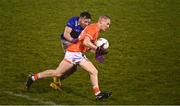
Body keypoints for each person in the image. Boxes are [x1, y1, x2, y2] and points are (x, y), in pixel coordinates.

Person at [26, 15, 112, 100]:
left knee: (94, 71)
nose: (108, 26)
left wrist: (98, 53)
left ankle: (98, 94)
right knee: (57, 73)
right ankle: (33, 77)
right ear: (102, 21)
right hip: (73, 53)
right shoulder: (93, 28)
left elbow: (87, 46)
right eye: (107, 24)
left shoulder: (96, 29)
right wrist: (97, 49)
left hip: (79, 54)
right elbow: (86, 42)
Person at [50, 12, 92, 90]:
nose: (87, 24)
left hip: (76, 44)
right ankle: (54, 77)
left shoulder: (88, 26)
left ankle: (57, 78)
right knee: (71, 63)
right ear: (80, 19)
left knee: (74, 68)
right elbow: (66, 34)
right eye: (85, 22)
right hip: (67, 42)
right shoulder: (73, 21)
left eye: (88, 22)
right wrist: (74, 41)